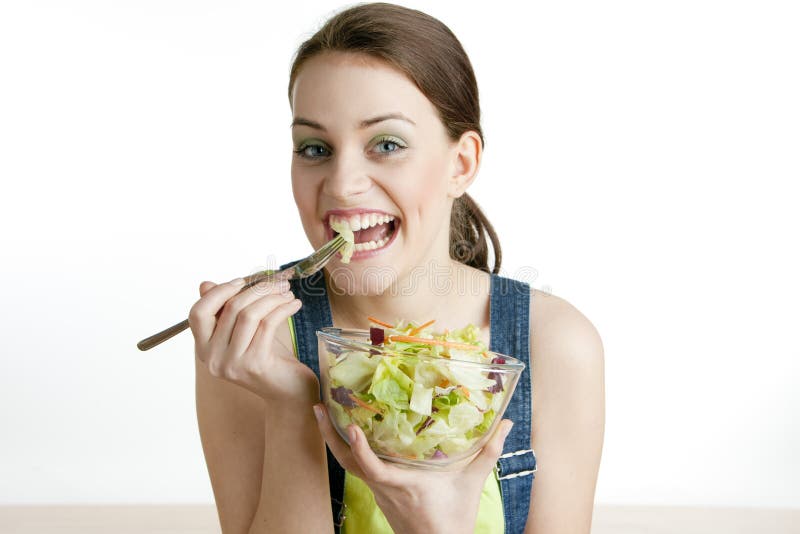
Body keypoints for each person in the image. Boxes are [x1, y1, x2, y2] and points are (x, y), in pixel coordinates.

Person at [189, 3, 604, 533]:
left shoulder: (556, 344)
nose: (341, 184)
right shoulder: (250, 345)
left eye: (387, 144)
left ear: (462, 164)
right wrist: (292, 405)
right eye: (315, 148)